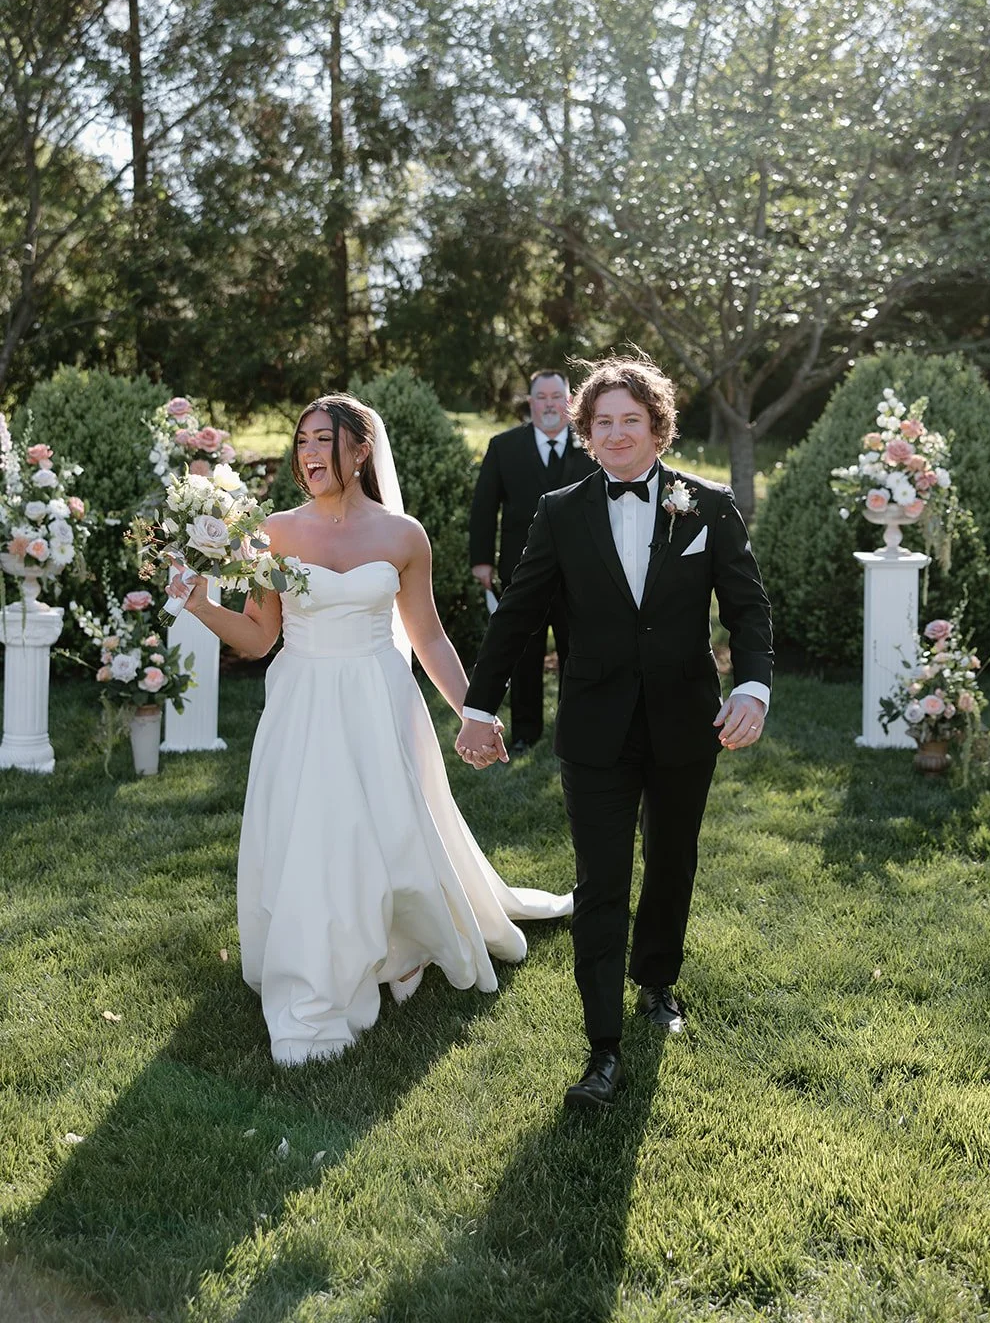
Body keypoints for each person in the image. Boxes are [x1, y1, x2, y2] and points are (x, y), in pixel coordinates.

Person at [169, 394, 571, 1066]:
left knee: (384, 830)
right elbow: (259, 637)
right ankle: (321, 969)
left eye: (322, 439)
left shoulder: (402, 535)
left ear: (360, 450)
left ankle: (401, 946)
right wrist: (201, 605)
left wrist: (473, 711)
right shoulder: (273, 531)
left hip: (380, 698)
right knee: (317, 836)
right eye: (301, 440)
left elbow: (430, 638)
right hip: (302, 700)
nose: (307, 453)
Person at [456, 357, 772, 1111]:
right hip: (594, 725)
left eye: (632, 419)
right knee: (600, 882)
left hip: (684, 720)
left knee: (671, 860)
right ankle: (601, 1049)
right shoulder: (561, 510)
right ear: (583, 432)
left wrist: (752, 688)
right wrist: (478, 707)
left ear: (657, 427)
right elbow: (522, 614)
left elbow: (748, 609)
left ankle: (657, 982)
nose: (617, 433)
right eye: (603, 422)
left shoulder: (708, 505)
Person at [468, 369, 597, 754]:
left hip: (582, 573)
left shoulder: (592, 447)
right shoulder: (504, 446)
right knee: (523, 653)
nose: (549, 404)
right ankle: (525, 732)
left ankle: (577, 727)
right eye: (541, 397)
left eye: (557, 396)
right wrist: (481, 561)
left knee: (581, 651)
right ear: (531, 403)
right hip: (521, 570)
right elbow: (484, 508)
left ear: (570, 402)